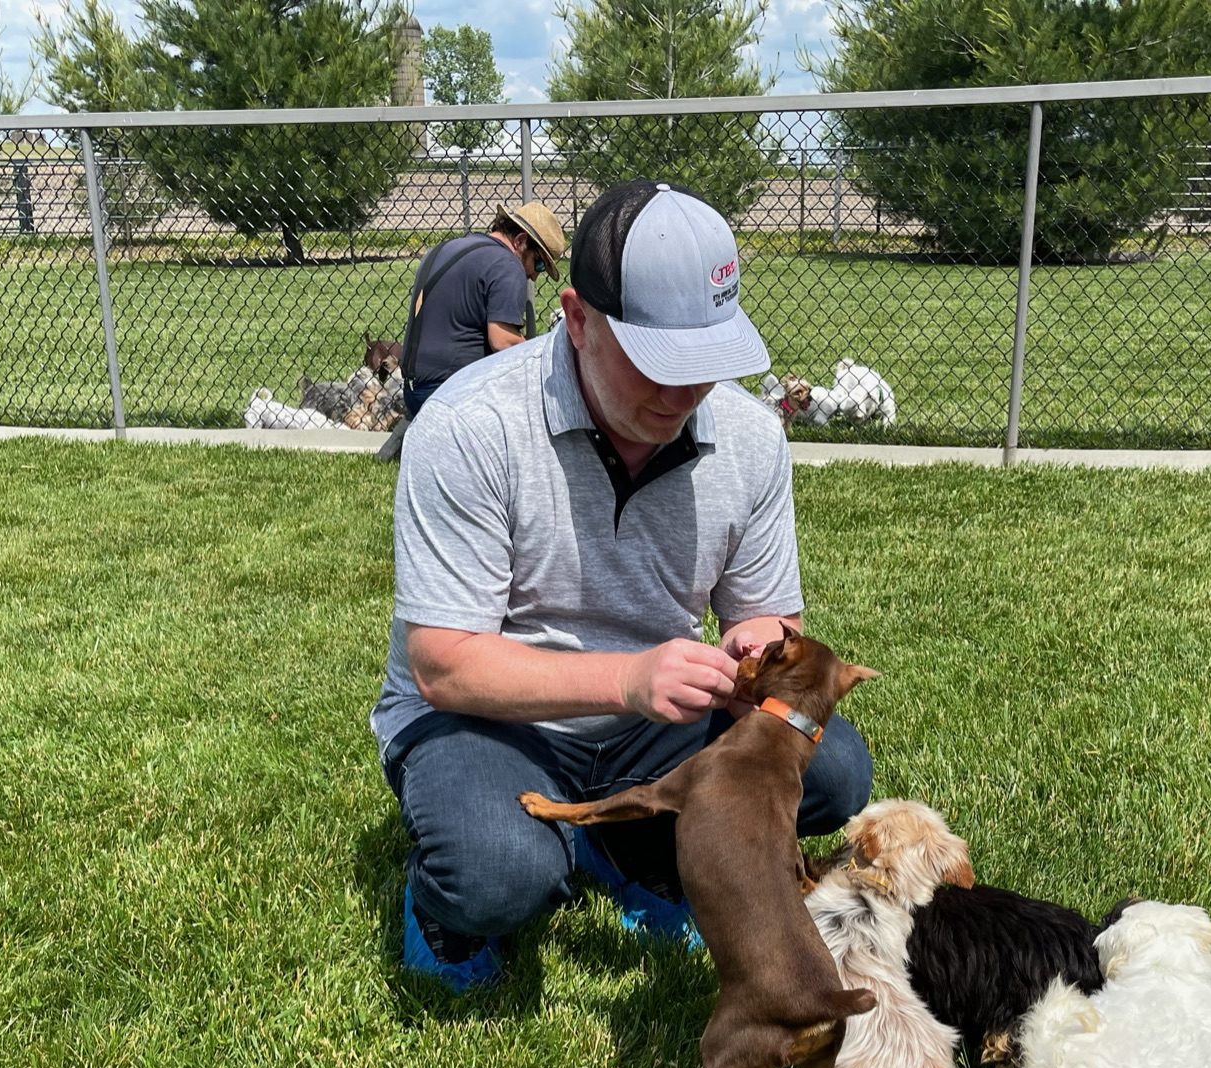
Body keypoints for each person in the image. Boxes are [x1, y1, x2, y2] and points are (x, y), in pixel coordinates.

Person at [371, 178, 875, 991]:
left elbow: (765, 611)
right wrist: (628, 678)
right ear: (575, 318)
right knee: (499, 871)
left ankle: (630, 846)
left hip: (651, 723)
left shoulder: (747, 439)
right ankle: (447, 900)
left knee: (830, 769)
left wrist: (763, 647)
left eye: (705, 364)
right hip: (485, 721)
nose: (681, 396)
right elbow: (444, 664)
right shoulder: (471, 424)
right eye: (655, 362)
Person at [398, 200, 569, 421]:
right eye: (538, 264)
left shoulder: (446, 248)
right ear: (520, 241)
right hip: (453, 395)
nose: (534, 276)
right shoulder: (507, 265)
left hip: (413, 393)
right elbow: (503, 342)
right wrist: (546, 358)